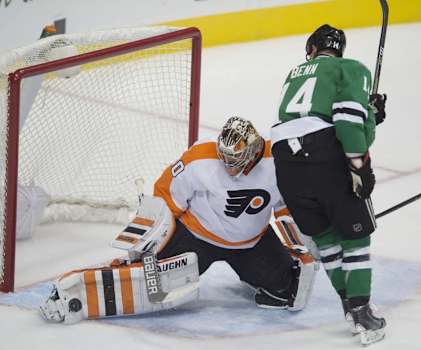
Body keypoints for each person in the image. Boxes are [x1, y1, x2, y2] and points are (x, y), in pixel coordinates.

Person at [39, 116, 317, 324]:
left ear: (254, 150)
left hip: (251, 243)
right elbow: (165, 195)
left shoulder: (279, 162)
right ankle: (78, 292)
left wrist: (303, 242)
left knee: (286, 288)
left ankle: (257, 273)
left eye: (236, 159)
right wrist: (148, 246)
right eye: (225, 158)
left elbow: (289, 205)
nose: (229, 166)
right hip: (197, 237)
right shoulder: (200, 157)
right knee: (150, 285)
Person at [270, 24, 387, 346]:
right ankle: (362, 312)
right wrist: (359, 165)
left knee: (326, 238)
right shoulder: (349, 68)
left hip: (284, 159)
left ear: (310, 49)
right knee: (356, 236)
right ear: (340, 50)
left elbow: (319, 113)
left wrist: (370, 115)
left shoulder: (295, 73)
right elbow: (347, 119)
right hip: (323, 154)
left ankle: (350, 308)